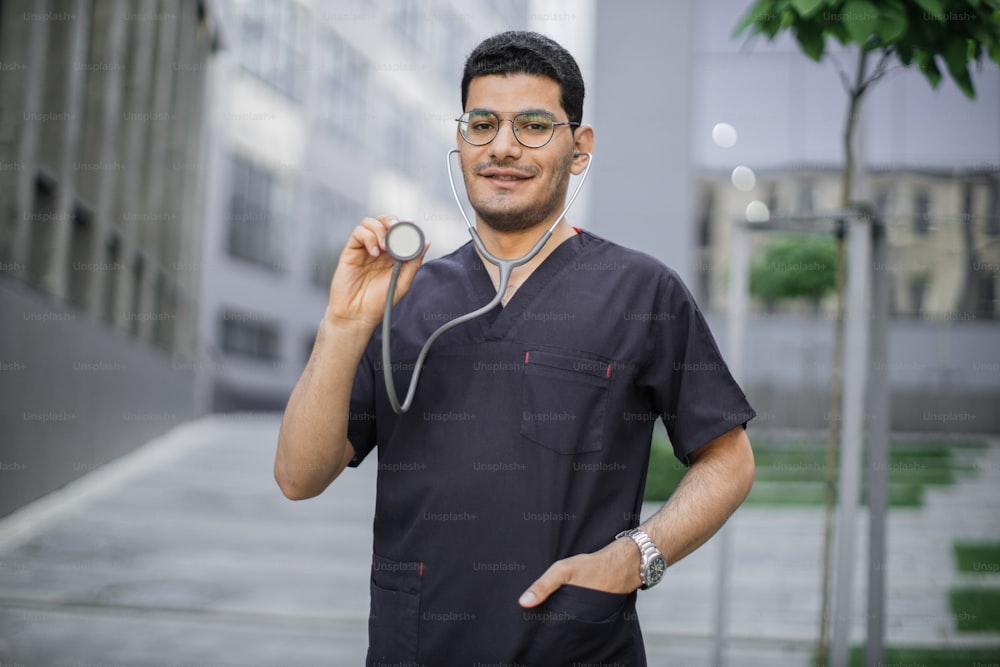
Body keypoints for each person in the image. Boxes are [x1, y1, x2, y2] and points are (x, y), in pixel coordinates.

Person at [275, 30, 755, 667]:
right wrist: (341, 324)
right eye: (482, 123)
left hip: (574, 645)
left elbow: (728, 460)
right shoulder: (403, 296)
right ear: (460, 138)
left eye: (533, 124)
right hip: (416, 645)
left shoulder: (641, 291)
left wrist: (636, 557)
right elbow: (299, 477)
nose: (503, 147)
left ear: (579, 149)